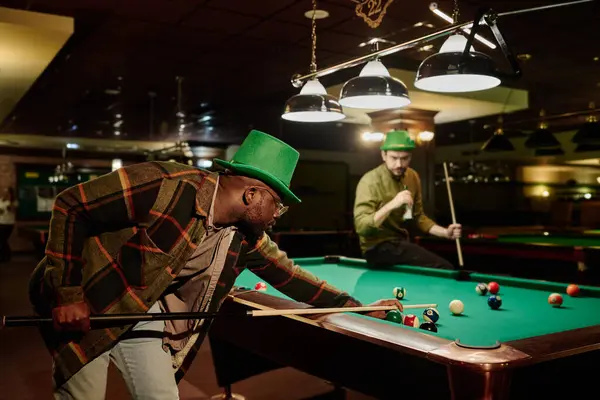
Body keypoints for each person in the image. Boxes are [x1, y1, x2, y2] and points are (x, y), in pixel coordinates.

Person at [28, 130, 402, 400]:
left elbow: (292, 278)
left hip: (142, 307)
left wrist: (360, 306)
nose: (278, 215)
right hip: (89, 297)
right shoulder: (164, 184)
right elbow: (70, 205)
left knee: (160, 395)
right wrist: (68, 294)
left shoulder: (244, 237)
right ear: (251, 194)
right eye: (278, 203)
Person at [354, 130, 461, 269]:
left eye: (405, 158)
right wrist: (392, 204)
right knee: (443, 267)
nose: (399, 164)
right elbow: (362, 227)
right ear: (383, 155)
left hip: (400, 243)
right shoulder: (369, 181)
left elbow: (419, 217)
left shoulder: (412, 176)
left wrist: (445, 233)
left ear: (410, 157)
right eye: (394, 158)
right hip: (376, 248)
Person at [0, 187, 18, 262]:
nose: (5, 193)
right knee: (3, 240)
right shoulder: (0, 200)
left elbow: (13, 210)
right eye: (4, 192)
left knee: (2, 240)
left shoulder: (14, 202)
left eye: (7, 192)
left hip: (8, 224)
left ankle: (5, 256)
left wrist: (10, 200)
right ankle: (6, 256)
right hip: (1, 223)